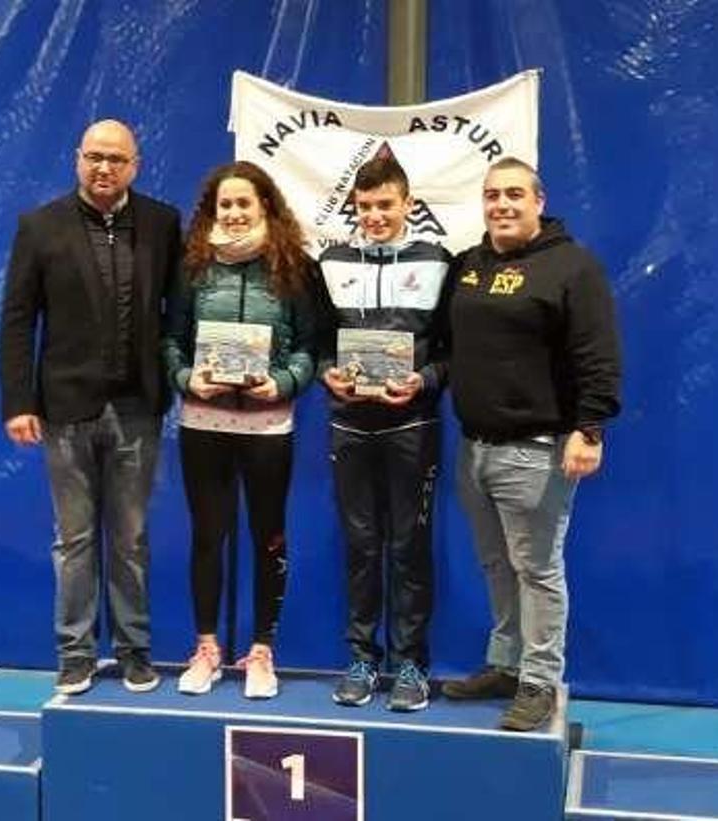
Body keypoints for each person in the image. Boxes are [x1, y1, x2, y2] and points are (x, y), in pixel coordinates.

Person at [0, 119, 182, 695]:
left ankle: (134, 651)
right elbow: (17, 320)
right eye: (95, 157)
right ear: (78, 158)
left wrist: (178, 380)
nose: (105, 168)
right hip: (64, 409)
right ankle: (75, 653)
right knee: (74, 540)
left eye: (117, 160)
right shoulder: (40, 226)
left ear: (136, 166)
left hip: (137, 409)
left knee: (130, 540)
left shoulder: (162, 223)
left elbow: (177, 313)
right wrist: (18, 401)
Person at [440, 157, 621, 731]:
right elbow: (446, 347)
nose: (502, 205)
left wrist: (589, 429)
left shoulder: (573, 267)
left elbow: (599, 356)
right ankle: (506, 665)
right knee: (497, 564)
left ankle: (540, 680)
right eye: (492, 195)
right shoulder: (468, 265)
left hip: (536, 450)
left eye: (514, 194)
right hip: (473, 448)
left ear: (539, 201)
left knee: (538, 569)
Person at [162, 160, 317, 700]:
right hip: (203, 422)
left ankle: (261, 651)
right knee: (209, 536)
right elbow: (170, 341)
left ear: (265, 207)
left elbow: (310, 347)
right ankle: (206, 648)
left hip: (269, 427)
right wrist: (185, 378)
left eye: (242, 203)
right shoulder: (192, 266)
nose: (232, 213)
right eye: (223, 204)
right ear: (212, 210)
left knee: (267, 537)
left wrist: (282, 383)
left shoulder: (295, 267)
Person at [316, 156, 452, 712]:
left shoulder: (438, 261)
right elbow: (321, 342)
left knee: (408, 546)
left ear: (408, 205)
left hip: (411, 424)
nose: (374, 216)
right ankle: (362, 658)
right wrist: (328, 371)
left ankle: (412, 664)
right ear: (354, 207)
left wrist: (423, 380)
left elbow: (452, 351)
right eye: (365, 206)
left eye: (385, 205)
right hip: (350, 424)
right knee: (361, 546)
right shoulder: (330, 261)